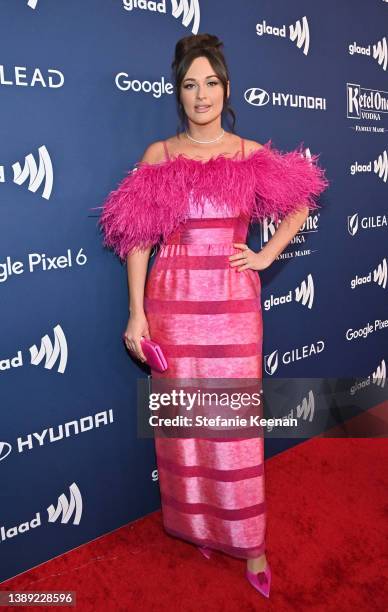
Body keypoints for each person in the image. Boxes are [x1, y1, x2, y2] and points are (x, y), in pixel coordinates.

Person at [98, 33, 329, 598]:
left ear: (226, 89)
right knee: (185, 429)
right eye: (189, 85)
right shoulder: (160, 155)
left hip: (230, 306)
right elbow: (136, 240)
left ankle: (251, 544)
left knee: (234, 428)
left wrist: (266, 253)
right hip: (171, 304)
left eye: (210, 83)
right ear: (179, 94)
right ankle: (198, 526)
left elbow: (301, 200)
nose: (201, 94)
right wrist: (136, 315)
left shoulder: (250, 153)